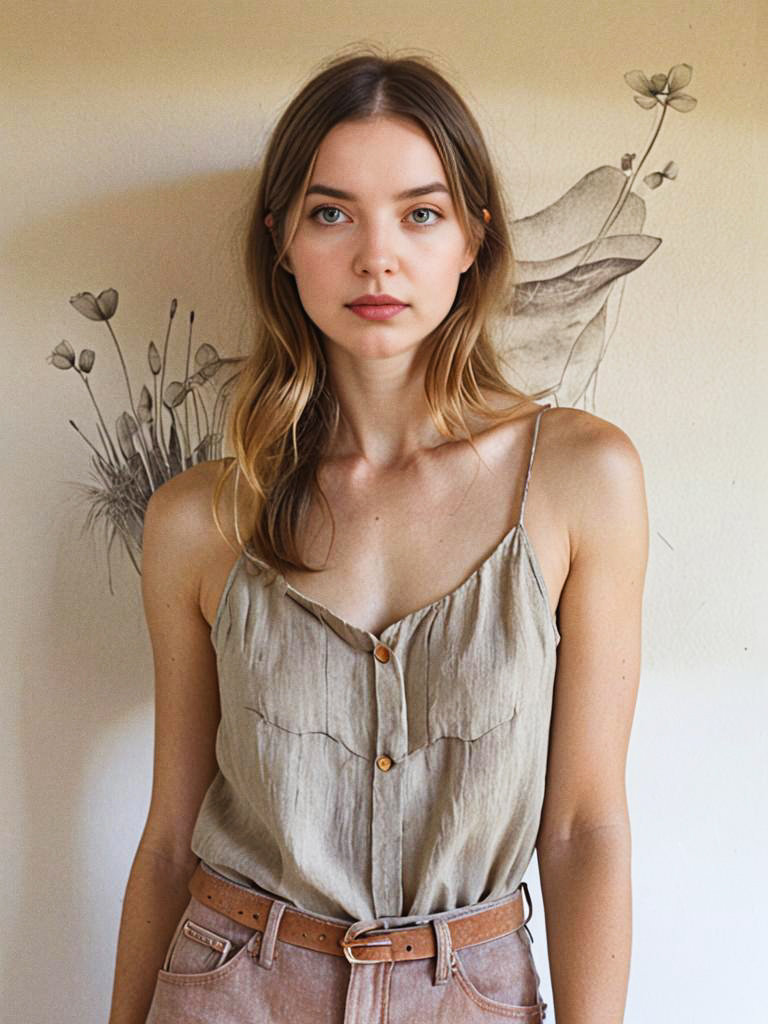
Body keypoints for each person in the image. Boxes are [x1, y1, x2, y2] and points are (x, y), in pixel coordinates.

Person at [108, 47, 648, 1024]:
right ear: (281, 241)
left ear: (473, 236)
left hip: (472, 995)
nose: (376, 257)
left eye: (420, 211)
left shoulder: (582, 480)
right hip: (231, 989)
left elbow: (583, 828)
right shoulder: (195, 522)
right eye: (331, 213)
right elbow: (167, 843)